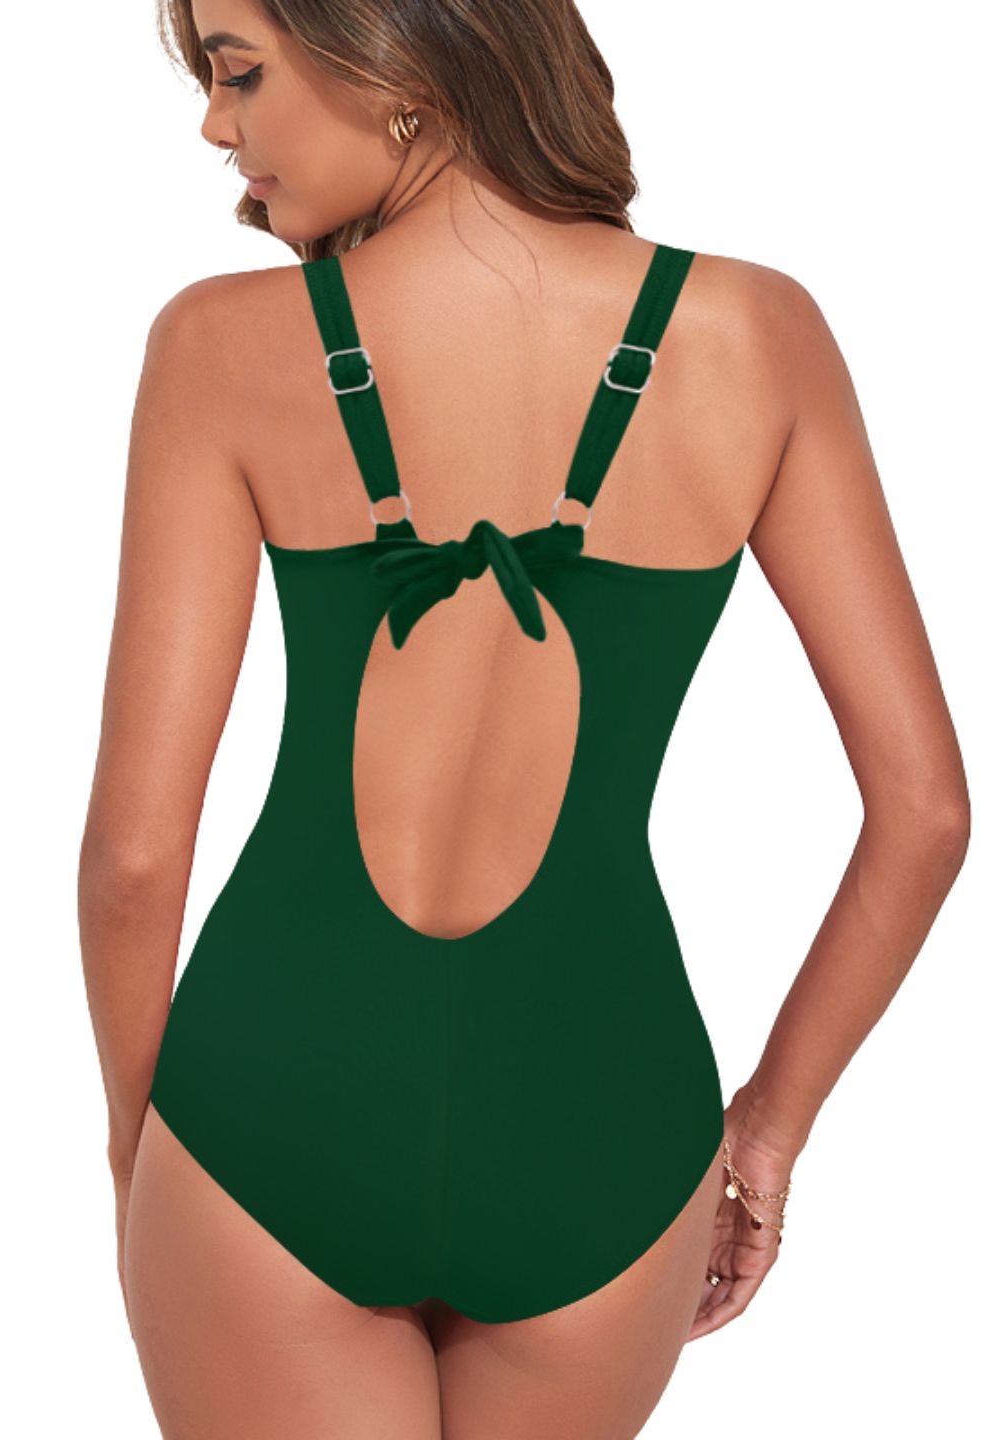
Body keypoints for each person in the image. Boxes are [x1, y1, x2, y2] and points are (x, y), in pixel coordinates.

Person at [77, 2, 971, 1436]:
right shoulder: (758, 334)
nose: (213, 124)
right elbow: (925, 814)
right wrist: (768, 1131)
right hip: (608, 1127)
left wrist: (145, 1159)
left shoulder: (221, 346)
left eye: (237, 72)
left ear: (392, 57)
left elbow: (134, 858)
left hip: (273, 1111)